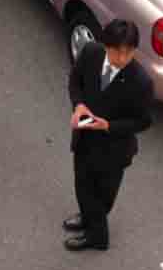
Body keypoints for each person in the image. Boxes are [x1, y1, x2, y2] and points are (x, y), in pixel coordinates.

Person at [64, 19, 154, 251]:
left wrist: (109, 126)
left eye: (129, 53)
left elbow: (144, 121)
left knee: (102, 195)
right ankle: (87, 218)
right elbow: (75, 81)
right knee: (82, 185)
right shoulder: (91, 53)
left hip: (114, 149)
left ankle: (97, 237)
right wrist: (79, 104)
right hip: (85, 137)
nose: (123, 59)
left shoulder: (141, 82)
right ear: (106, 45)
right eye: (117, 52)